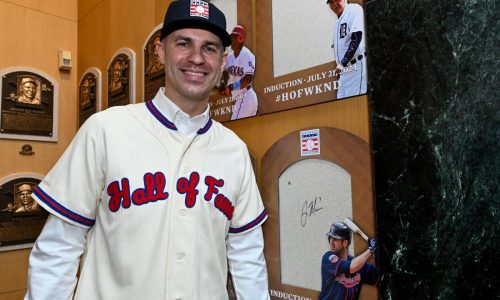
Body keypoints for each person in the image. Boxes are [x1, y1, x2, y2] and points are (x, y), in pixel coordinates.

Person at [25, 1, 270, 299]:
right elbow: (58, 249)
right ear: (160, 51)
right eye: (184, 43)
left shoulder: (234, 150)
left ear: (222, 61)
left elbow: (247, 257)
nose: (196, 58)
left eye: (210, 48)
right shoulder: (105, 130)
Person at [319, 222, 378, 300]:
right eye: (330, 238)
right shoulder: (328, 258)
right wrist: (371, 249)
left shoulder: (360, 265)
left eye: (335, 239)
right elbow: (351, 267)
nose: (331, 243)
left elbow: (380, 278)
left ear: (345, 243)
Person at [328, 0, 368, 99]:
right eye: (332, 2)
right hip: (344, 73)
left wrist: (343, 63)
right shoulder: (337, 22)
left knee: (356, 106)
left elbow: (356, 38)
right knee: (343, 109)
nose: (336, 3)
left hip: (356, 67)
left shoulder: (354, 9)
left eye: (338, 0)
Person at [219, 25, 258, 120]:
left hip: (246, 96)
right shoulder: (230, 57)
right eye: (231, 38)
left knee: (234, 127)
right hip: (240, 98)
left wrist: (231, 87)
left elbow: (248, 79)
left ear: (241, 39)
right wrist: (223, 83)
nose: (231, 41)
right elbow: (225, 72)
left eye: (233, 38)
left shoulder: (247, 55)